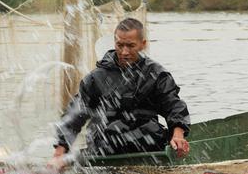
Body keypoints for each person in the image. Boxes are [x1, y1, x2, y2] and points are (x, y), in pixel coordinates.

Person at [51, 18, 190, 165]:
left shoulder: (156, 74)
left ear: (143, 44)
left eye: (130, 46)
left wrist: (178, 135)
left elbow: (173, 105)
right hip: (105, 149)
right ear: (114, 44)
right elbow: (74, 115)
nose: (124, 52)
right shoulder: (96, 78)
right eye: (120, 45)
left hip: (146, 146)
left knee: (155, 133)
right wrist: (59, 152)